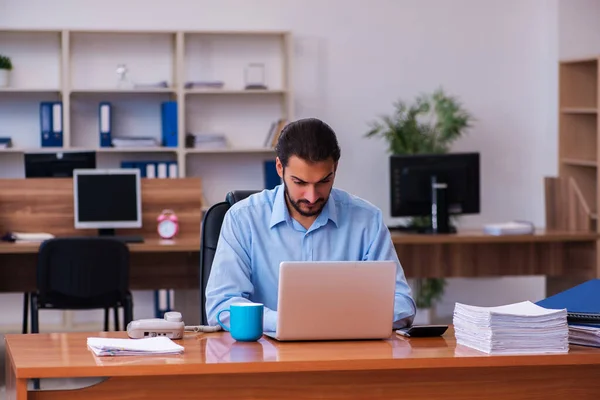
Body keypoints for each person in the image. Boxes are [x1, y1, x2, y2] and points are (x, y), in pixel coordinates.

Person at [205, 118, 416, 332]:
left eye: (323, 181)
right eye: (300, 182)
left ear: (335, 169)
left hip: (348, 353)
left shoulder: (366, 220)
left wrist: (344, 322)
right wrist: (286, 323)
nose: (312, 196)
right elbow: (222, 307)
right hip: (266, 356)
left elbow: (401, 302)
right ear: (280, 167)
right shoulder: (243, 219)